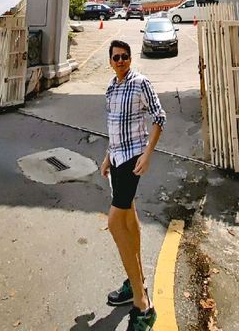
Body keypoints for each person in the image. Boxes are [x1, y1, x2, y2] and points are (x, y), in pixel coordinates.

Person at [101, 39, 165, 330]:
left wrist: (148, 155)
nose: (121, 61)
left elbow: (159, 118)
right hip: (116, 159)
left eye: (125, 56)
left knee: (115, 223)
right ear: (111, 60)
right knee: (128, 218)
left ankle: (142, 302)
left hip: (132, 161)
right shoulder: (111, 88)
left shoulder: (141, 83)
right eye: (116, 57)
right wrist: (106, 157)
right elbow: (114, 128)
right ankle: (135, 280)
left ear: (130, 58)